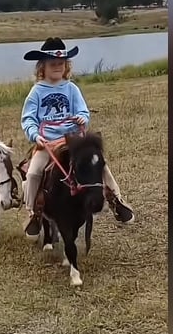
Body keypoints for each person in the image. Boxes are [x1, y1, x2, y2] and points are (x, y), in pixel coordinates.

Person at [20, 37, 134, 238]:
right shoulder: (36, 92)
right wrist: (35, 135)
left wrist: (82, 118)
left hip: (73, 141)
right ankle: (34, 212)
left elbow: (83, 112)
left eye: (60, 64)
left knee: (100, 165)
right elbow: (28, 118)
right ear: (42, 67)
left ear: (66, 66)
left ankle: (117, 200)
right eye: (52, 64)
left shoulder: (71, 89)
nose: (57, 67)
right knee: (33, 173)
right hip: (47, 144)